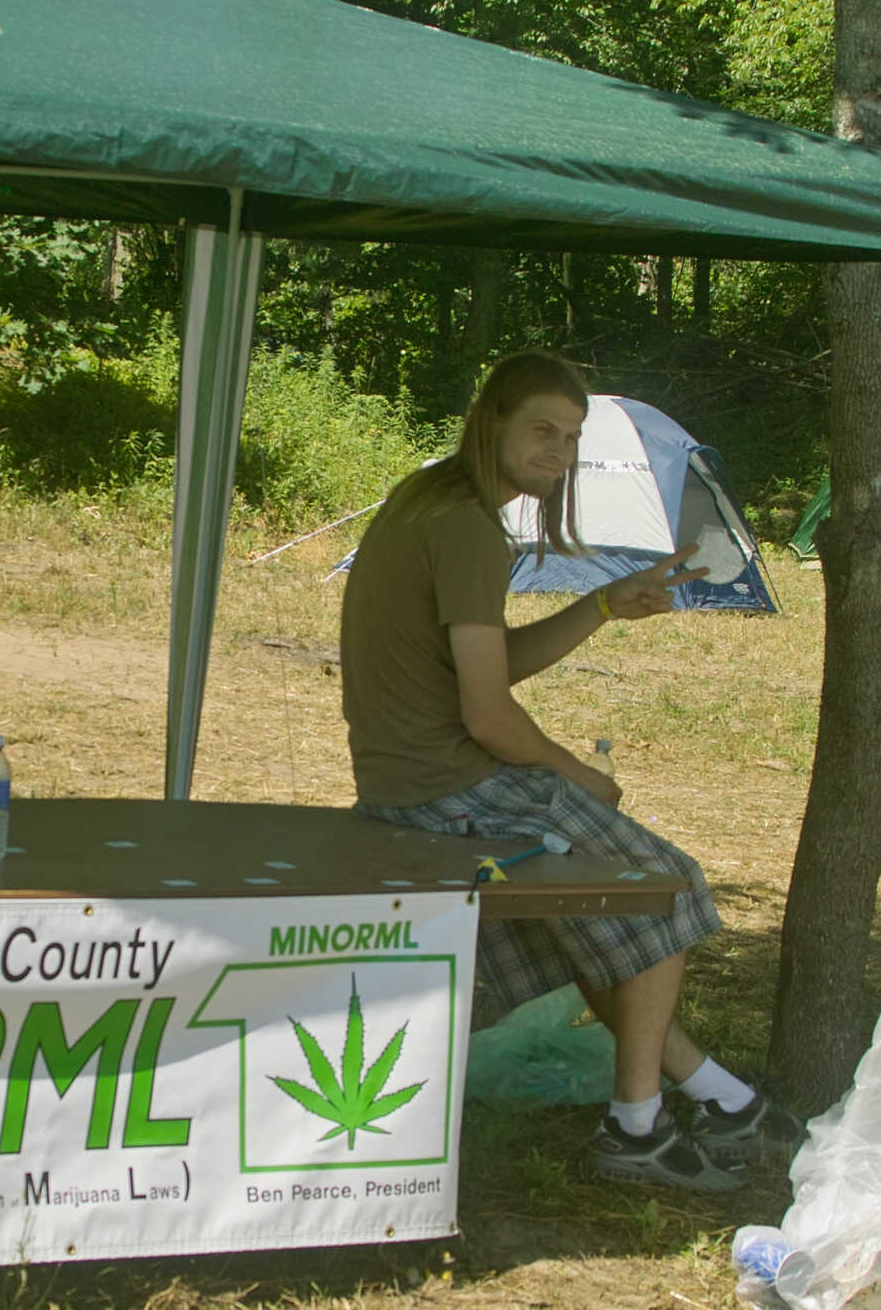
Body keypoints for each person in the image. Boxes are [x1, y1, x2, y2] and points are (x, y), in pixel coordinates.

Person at [339, 350, 791, 1194]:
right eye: (542, 429)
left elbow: (482, 666)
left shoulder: (428, 498)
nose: (559, 451)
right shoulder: (467, 527)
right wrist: (575, 772)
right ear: (491, 422)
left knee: (603, 924)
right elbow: (487, 716)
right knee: (663, 891)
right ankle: (636, 1127)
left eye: (573, 437)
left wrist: (601, 605)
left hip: (402, 782)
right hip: (447, 791)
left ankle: (722, 1098)